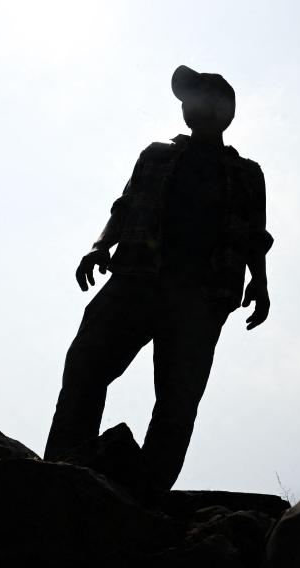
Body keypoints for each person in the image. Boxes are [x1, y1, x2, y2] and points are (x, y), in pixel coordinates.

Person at [43, 65, 274, 492]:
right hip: (136, 278)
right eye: (189, 100)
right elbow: (125, 205)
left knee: (177, 400)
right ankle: (62, 469)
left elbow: (254, 237)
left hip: (202, 297)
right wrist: (100, 245)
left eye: (201, 98)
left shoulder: (247, 174)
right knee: (85, 365)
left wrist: (260, 284)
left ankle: (146, 494)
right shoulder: (156, 155)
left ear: (225, 111)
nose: (192, 106)